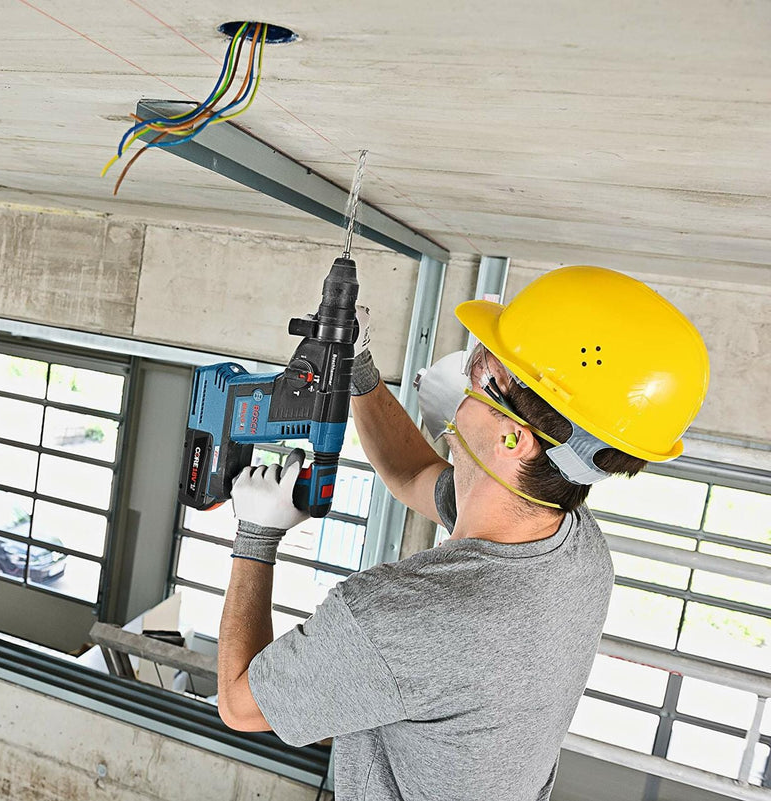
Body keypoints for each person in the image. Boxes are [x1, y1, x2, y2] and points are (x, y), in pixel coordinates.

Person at [213, 266, 710, 800]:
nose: (463, 384)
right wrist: (356, 369)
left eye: (481, 372)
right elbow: (413, 476)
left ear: (514, 437)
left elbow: (240, 705)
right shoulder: (574, 544)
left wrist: (257, 536)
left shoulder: (405, 617)